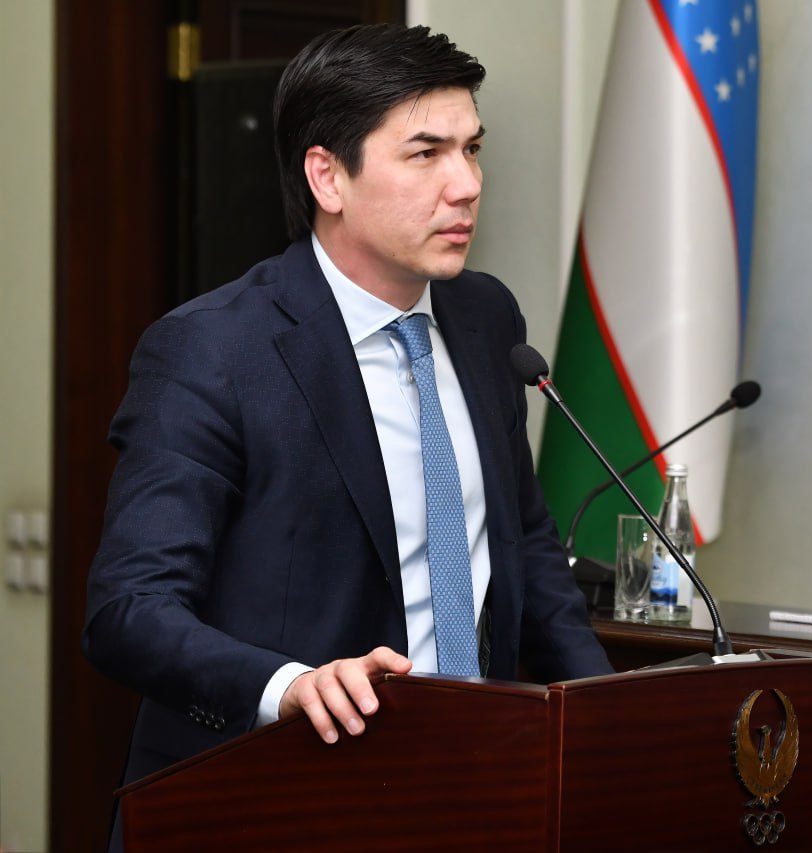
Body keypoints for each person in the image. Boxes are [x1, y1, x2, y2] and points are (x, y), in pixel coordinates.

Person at [82, 21, 613, 805]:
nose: (466, 184)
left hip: (473, 783)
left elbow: (524, 544)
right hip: (280, 795)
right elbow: (129, 610)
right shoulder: (213, 351)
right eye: (426, 154)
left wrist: (607, 717)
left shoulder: (486, 319)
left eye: (472, 149)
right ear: (328, 177)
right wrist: (288, 684)